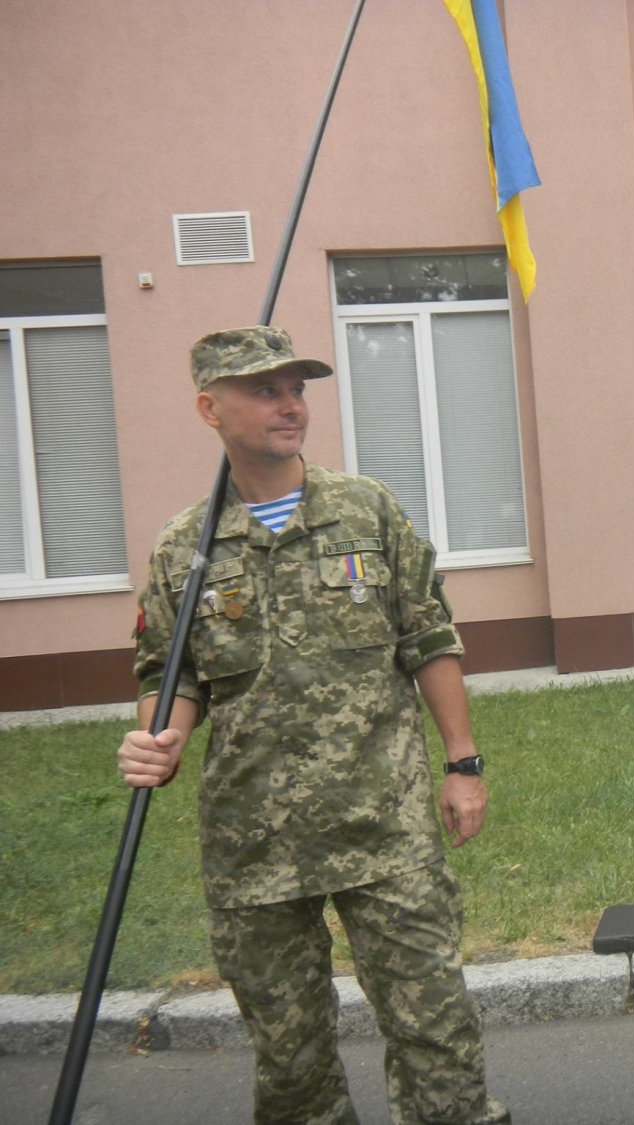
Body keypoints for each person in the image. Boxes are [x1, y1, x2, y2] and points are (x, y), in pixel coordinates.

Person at [118, 326, 511, 1125]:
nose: (290, 405)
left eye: (296, 388)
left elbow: (429, 638)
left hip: (383, 823)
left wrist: (463, 765)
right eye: (265, 390)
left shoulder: (367, 510)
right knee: (291, 1062)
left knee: (436, 1032)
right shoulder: (185, 548)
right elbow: (170, 673)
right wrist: (160, 737)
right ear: (210, 409)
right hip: (255, 842)